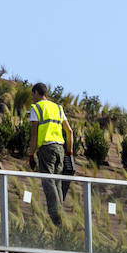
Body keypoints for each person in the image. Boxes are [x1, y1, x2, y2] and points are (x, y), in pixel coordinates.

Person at [26, 82, 74, 224]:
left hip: (46, 148)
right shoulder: (58, 107)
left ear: (36, 93)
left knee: (48, 181)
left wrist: (31, 154)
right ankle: (61, 217)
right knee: (57, 182)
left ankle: (56, 217)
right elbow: (69, 131)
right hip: (60, 148)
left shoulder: (36, 107)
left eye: (32, 94)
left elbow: (34, 133)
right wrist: (69, 152)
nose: (32, 98)